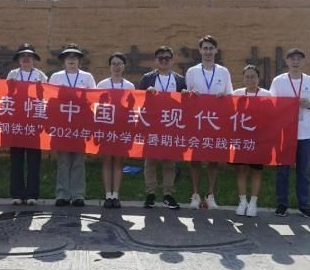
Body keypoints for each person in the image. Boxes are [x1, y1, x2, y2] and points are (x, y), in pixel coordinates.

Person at [271, 48, 310, 219]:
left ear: (303, 61)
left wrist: (309, 105)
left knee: (303, 172)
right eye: (292, 59)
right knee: (283, 171)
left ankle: (304, 206)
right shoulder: (278, 81)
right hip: (284, 133)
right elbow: (272, 104)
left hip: (305, 134)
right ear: (286, 61)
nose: (295, 62)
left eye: (298, 59)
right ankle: (282, 205)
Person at [185, 35, 233, 210]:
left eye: (211, 48)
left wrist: (223, 96)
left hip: (216, 122)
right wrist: (191, 94)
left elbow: (230, 95)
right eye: (204, 48)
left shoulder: (223, 71)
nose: (208, 51)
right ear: (200, 50)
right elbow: (186, 96)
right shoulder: (192, 71)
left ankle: (210, 194)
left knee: (214, 159)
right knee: (195, 159)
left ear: (216, 50)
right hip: (196, 121)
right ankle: (195, 195)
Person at [137, 46, 187, 209]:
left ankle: (168, 194)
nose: (164, 61)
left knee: (169, 162)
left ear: (172, 60)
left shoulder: (179, 79)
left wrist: (185, 94)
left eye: (167, 58)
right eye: (161, 58)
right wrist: (146, 93)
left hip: (171, 125)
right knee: (150, 161)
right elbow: (138, 100)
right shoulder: (147, 79)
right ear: (155, 61)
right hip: (152, 125)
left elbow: (185, 104)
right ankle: (150, 193)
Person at [48, 43, 96, 207]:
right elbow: (51, 101)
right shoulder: (56, 77)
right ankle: (62, 194)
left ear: (80, 61)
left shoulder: (87, 77)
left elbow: (93, 100)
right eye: (68, 57)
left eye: (75, 57)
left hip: (80, 125)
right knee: (63, 160)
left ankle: (78, 195)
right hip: (62, 125)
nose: (71, 60)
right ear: (63, 61)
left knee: (78, 161)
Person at [6, 43, 48, 205]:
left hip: (34, 123)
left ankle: (32, 194)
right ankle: (17, 194)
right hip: (17, 123)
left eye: (29, 56)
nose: (25, 59)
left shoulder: (41, 76)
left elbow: (46, 98)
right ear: (18, 59)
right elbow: (7, 96)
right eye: (22, 56)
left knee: (33, 161)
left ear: (33, 59)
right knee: (16, 160)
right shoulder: (13, 74)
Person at [231, 64, 272, 217]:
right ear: (243, 78)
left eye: (253, 76)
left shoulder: (267, 94)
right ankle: (243, 202)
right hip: (241, 139)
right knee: (241, 170)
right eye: (247, 77)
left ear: (258, 78)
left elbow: (273, 116)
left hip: (259, 139)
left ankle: (253, 203)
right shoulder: (236, 94)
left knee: (256, 171)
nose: (250, 79)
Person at [97, 52, 135, 209]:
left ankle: (116, 195)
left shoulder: (129, 86)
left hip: (122, 129)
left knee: (119, 162)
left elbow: (133, 109)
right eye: (114, 64)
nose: (116, 67)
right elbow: (96, 108)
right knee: (107, 161)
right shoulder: (102, 85)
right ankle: (108, 195)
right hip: (106, 129)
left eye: (119, 64)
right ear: (109, 66)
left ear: (124, 66)